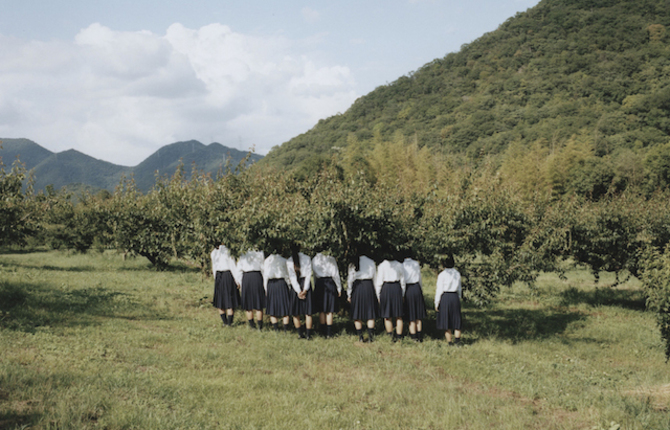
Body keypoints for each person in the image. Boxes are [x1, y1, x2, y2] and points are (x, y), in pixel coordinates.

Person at [347, 255, 378, 342]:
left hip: (357, 287)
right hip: (369, 287)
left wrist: (349, 294)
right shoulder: (371, 262)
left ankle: (360, 337)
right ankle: (370, 337)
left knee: (357, 314)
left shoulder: (353, 263)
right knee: (370, 314)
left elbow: (350, 280)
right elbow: (375, 278)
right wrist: (377, 293)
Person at [312, 252, 342, 338]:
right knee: (329, 310)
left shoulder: (314, 259)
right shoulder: (330, 258)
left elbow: (314, 274)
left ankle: (322, 332)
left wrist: (315, 285)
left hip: (319, 283)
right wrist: (339, 288)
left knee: (321, 309)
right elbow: (335, 274)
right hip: (330, 282)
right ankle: (329, 333)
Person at [435, 254, 463, 346]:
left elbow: (439, 290)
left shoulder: (442, 275)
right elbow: (459, 288)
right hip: (454, 296)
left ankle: (450, 342)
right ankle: (458, 341)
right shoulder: (457, 273)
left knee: (446, 319)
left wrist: (436, 302)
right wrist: (458, 298)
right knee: (456, 319)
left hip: (445, 297)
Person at [210, 244, 241, 327]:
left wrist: (215, 278)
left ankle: (225, 322)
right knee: (229, 299)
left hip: (218, 275)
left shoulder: (214, 253)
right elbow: (232, 266)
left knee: (220, 300)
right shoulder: (228, 251)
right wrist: (237, 280)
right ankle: (230, 323)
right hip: (228, 275)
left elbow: (214, 266)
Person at [375, 258, 405, 341]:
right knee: (399, 315)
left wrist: (378, 295)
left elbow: (379, 282)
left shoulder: (381, 265)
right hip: (396, 288)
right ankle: (399, 337)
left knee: (387, 315)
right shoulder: (399, 264)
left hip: (386, 288)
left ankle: (390, 336)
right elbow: (403, 280)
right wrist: (402, 294)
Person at [287, 247, 314, 339]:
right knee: (308, 312)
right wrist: (305, 289)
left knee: (295, 312)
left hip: (296, 286)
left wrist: (298, 291)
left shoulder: (289, 260)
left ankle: (300, 334)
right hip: (305, 284)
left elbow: (292, 277)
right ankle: (308, 335)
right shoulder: (307, 258)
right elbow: (308, 275)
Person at [264, 253, 292, 332]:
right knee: (285, 308)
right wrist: (289, 286)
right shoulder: (284, 260)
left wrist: (266, 289)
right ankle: (286, 330)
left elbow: (265, 276)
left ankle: (276, 329)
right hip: (282, 283)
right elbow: (287, 275)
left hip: (271, 284)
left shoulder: (267, 261)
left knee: (272, 309)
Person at [238, 249, 265, 329]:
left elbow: (239, 268)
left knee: (248, 304)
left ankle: (252, 325)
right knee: (258, 303)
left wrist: (239, 281)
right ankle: (260, 326)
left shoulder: (243, 252)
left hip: (246, 277)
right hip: (257, 276)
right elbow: (263, 267)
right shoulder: (259, 252)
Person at [403, 254, 427, 342]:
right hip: (417, 287)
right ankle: (420, 336)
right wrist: (420, 289)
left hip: (408, 288)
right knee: (418, 315)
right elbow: (419, 277)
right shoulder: (416, 264)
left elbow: (403, 280)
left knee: (411, 315)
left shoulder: (402, 265)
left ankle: (414, 338)